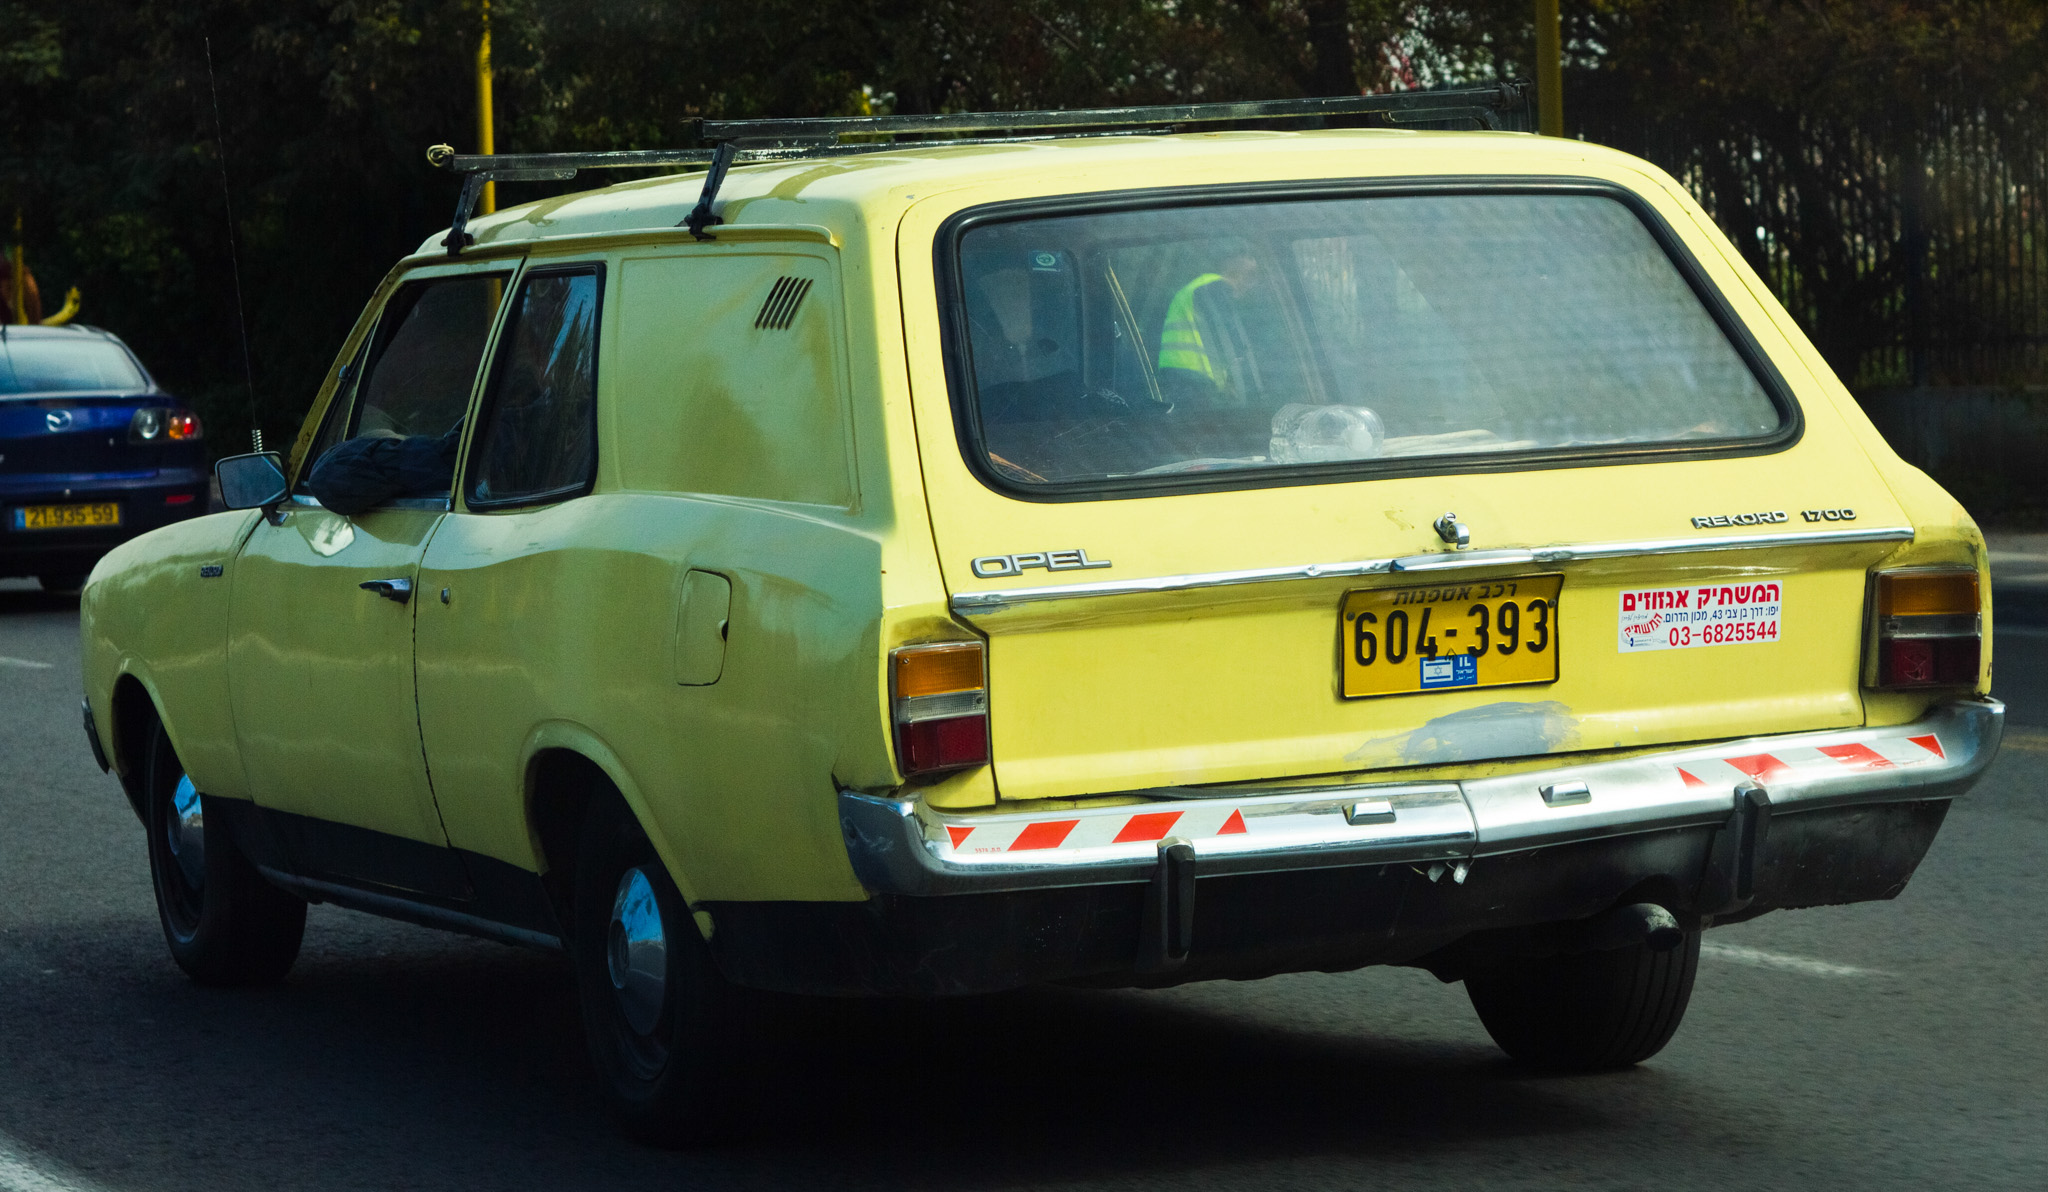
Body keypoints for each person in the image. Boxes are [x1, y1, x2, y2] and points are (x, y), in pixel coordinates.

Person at [1156, 252, 1265, 406]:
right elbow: (1227, 335)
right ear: (1237, 274)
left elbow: (1212, 338)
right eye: (1251, 277)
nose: (1251, 285)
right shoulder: (1214, 287)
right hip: (1193, 377)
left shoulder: (1199, 287)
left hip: (1179, 373)